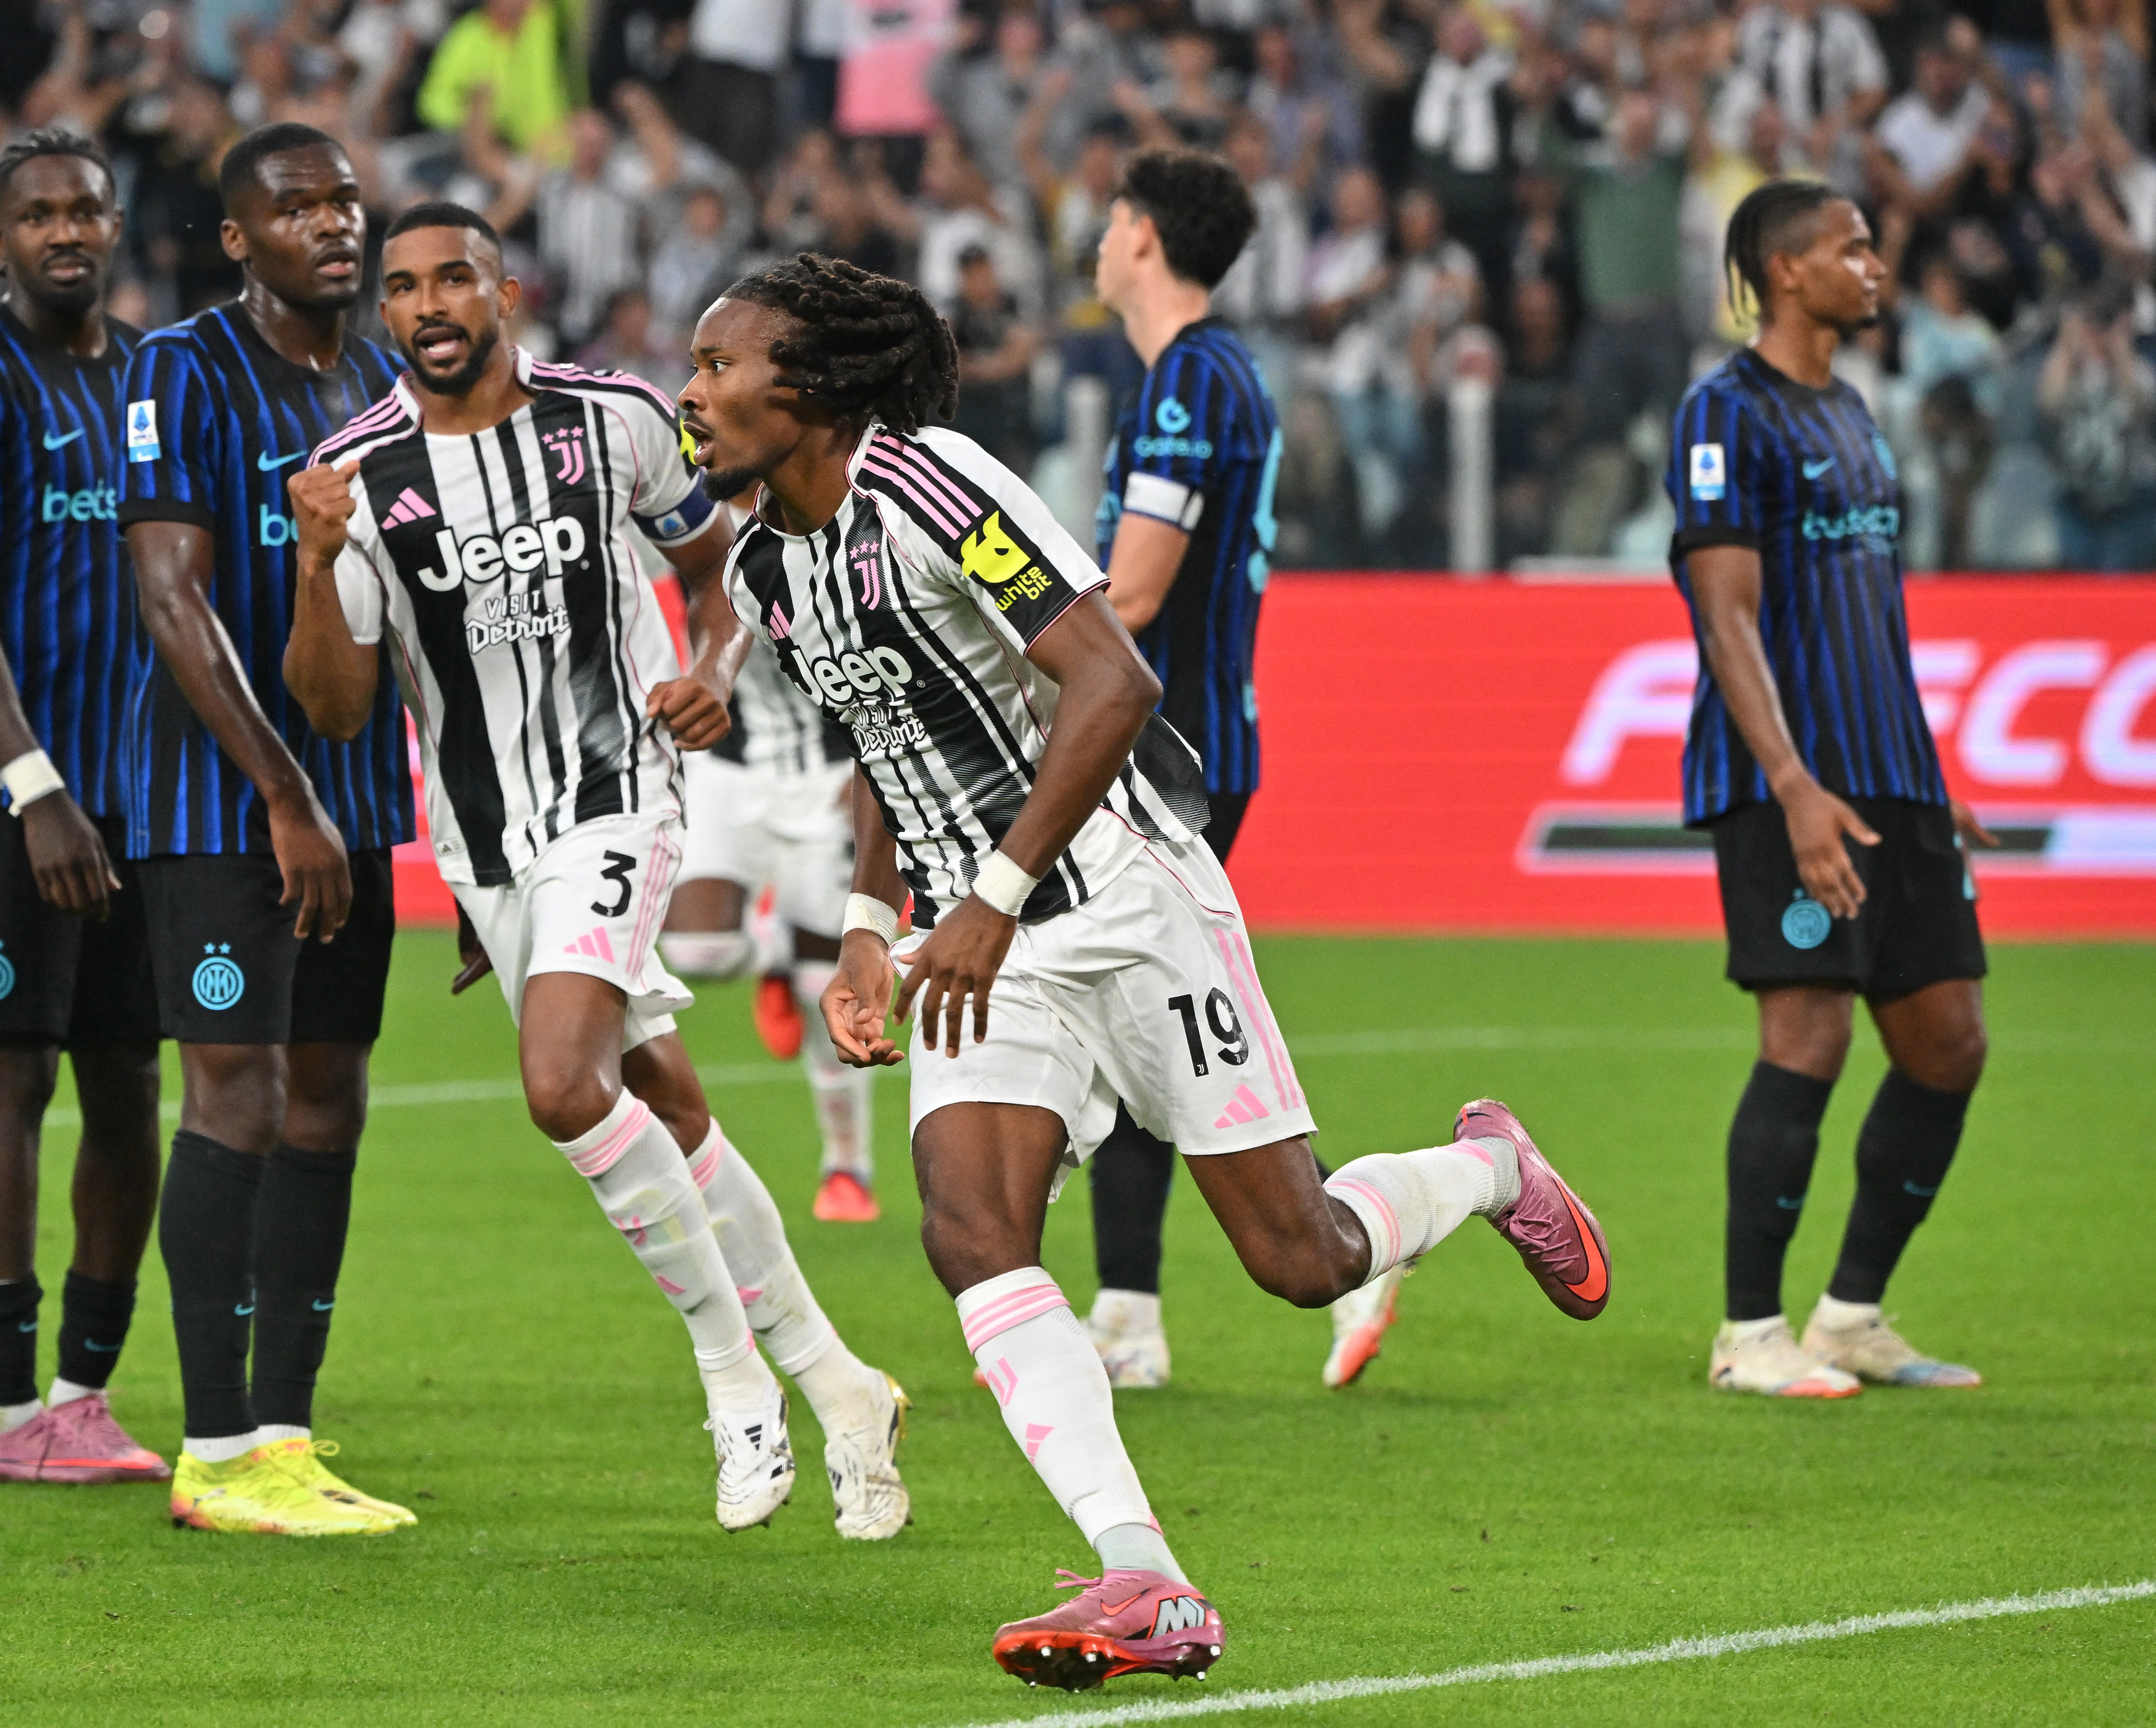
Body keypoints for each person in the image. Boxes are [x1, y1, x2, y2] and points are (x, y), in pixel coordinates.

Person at [678, 252, 1611, 1689]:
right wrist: (872, 919)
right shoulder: (764, 562)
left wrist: (987, 898)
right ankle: (1147, 1575)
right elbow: (884, 734)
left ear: (804, 384)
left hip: (1124, 898)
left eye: (717, 365)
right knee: (970, 1230)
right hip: (987, 946)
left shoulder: (932, 485)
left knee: (1300, 1258)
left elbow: (1115, 678)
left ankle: (1491, 1169)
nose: (691, 393)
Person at [282, 202, 911, 1540]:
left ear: (504, 291)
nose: (429, 304)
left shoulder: (611, 419)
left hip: (619, 798)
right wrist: (315, 560)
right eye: (404, 287)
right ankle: (841, 1384)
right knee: (664, 1107)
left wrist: (714, 668)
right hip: (486, 846)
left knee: (561, 1084)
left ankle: (733, 1377)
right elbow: (335, 708)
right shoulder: (353, 471)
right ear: (384, 312)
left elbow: (724, 565)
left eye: (456, 278)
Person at [115, 122, 418, 1536]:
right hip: (219, 810)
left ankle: (285, 1433)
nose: (333, 224)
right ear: (238, 239)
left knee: (330, 1099)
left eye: (345, 201)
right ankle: (215, 1447)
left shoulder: (378, 382)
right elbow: (169, 597)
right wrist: (284, 795)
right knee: (233, 1096)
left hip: (355, 806)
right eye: (296, 208)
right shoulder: (181, 370)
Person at [1077, 147, 1411, 1396]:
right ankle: (1132, 1313)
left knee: (1143, 1024)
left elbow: (1134, 592)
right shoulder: (1211, 375)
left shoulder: (1188, 381)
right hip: (1188, 745)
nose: (1097, 240)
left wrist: (1004, 643)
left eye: (1112, 220)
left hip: (1167, 755)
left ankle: (1352, 1230)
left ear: (1145, 237)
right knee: (1136, 1021)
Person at [1671, 179, 1993, 1400]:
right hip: (1787, 784)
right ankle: (1748, 1332)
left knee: (1947, 1041)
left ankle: (1850, 1315)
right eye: (1851, 248)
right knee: (1806, 1032)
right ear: (1785, 270)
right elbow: (1726, 616)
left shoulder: (1853, 413)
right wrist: (1793, 784)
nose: (1874, 265)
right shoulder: (1721, 413)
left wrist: (1927, 773)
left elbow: (1874, 615)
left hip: (1889, 776)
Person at [0, 129, 169, 1486]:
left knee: (130, 1084)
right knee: (3, 1074)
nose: (66, 230)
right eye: (38, 214)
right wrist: (35, 784)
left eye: (86, 209)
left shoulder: (151, 376)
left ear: (115, 225)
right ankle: (0, 1410)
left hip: (138, 798)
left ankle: (83, 1394)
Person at [658, 493, 880, 1224]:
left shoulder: (852, 519)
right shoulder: (691, 520)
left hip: (827, 773)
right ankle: (777, 950)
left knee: (829, 986)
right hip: (728, 767)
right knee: (698, 950)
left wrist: (870, 764)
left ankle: (846, 1166)